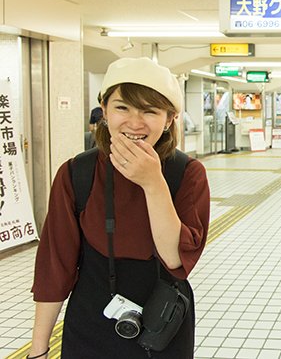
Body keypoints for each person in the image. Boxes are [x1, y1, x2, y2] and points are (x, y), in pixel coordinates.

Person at [28, 57, 210, 359]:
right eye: (122, 107)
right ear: (104, 108)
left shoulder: (186, 173)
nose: (134, 123)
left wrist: (153, 184)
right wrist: (38, 350)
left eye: (149, 111)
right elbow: (54, 266)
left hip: (162, 322)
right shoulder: (77, 173)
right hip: (90, 321)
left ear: (169, 118)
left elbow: (175, 258)